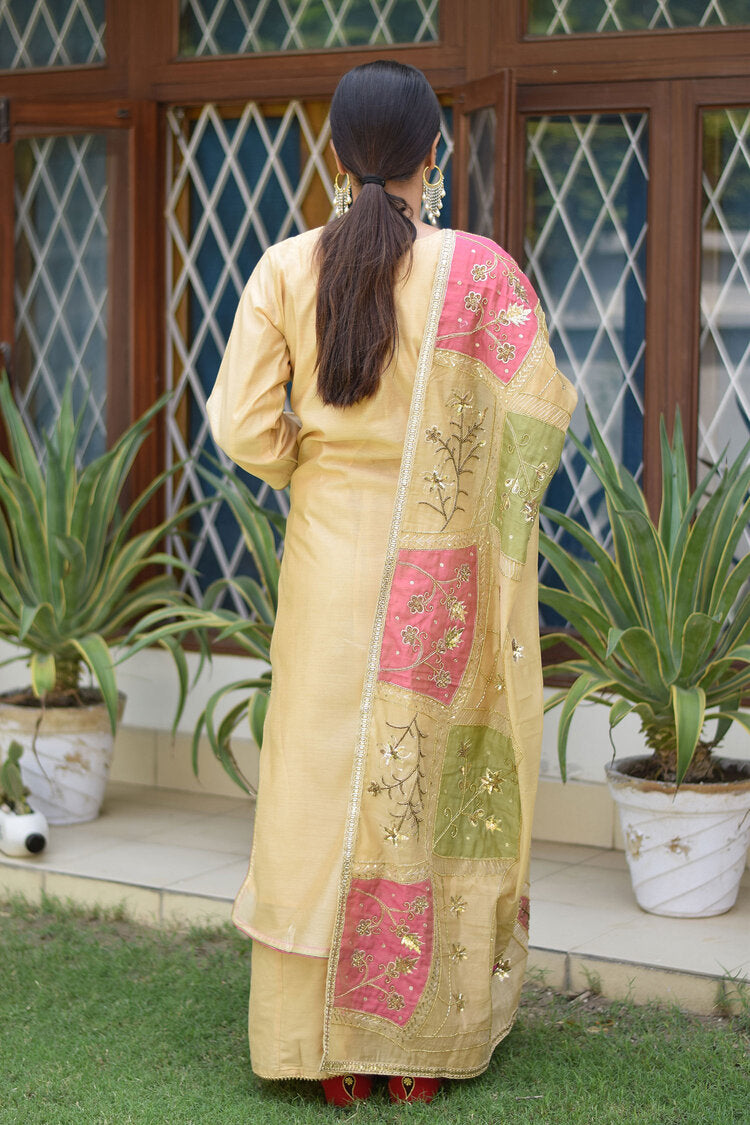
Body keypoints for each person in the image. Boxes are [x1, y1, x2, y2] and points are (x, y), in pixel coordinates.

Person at [206, 59, 577, 1106]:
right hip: (442, 576)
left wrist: (314, 464)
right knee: (419, 792)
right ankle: (416, 1051)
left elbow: (239, 427)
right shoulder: (481, 272)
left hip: (327, 561)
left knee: (318, 790)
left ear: (333, 155)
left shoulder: (285, 267)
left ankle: (316, 1051)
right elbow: (541, 411)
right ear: (433, 155)